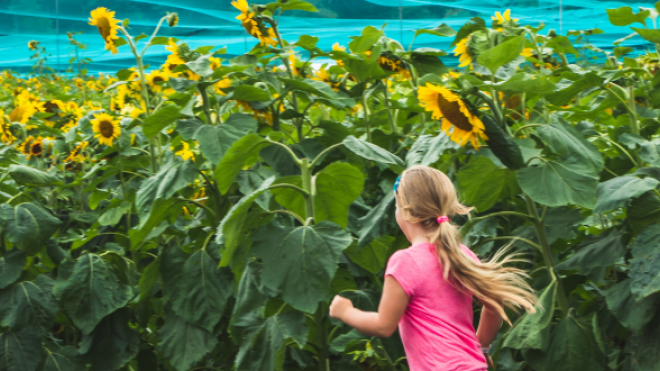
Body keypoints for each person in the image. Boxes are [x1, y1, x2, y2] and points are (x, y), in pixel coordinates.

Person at [329, 165, 539, 371]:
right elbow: (494, 303)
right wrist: (481, 347)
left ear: (406, 211)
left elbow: (383, 326)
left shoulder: (406, 261)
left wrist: (347, 312)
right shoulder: (462, 254)